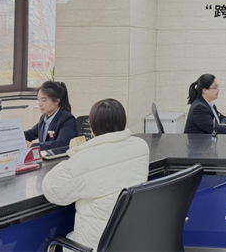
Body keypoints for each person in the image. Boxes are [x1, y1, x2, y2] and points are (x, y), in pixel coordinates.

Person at [42, 99, 150, 251]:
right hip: (131, 241)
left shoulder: (84, 159)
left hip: (94, 246)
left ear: (92, 128)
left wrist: (75, 155)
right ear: (123, 122)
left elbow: (53, 191)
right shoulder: (140, 146)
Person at [24, 81, 77, 151]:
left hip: (59, 157)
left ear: (57, 101)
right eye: (38, 99)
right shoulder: (44, 118)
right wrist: (14, 136)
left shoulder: (67, 119)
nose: (40, 104)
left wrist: (32, 145)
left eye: (44, 100)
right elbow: (30, 134)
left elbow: (60, 144)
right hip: (46, 156)